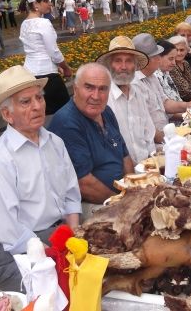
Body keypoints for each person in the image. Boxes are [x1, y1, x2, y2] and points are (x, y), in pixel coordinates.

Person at [0, 65, 82, 291]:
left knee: (99, 274)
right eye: (25, 102)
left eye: (39, 98)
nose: (37, 106)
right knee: (60, 292)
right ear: (7, 114)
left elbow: (71, 195)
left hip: (55, 233)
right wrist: (55, 255)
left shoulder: (55, 142)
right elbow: (7, 230)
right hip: (11, 251)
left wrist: (73, 235)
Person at [48, 63, 134, 213]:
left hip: (121, 195)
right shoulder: (67, 123)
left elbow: (125, 156)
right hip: (92, 204)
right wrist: (122, 203)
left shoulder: (106, 111)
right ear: (75, 89)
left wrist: (133, 191)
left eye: (102, 89)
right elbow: (84, 184)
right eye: (89, 87)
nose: (96, 96)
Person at [96, 36, 156, 163]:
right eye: (118, 61)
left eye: (129, 61)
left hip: (147, 166)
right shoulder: (102, 99)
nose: (124, 67)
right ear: (109, 65)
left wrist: (152, 163)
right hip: (121, 172)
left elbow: (149, 133)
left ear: (135, 65)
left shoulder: (138, 92)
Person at [19, 0, 73, 115]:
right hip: (47, 76)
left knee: (40, 114)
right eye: (46, 1)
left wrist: (56, 66)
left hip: (30, 75)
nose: (50, 4)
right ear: (35, 3)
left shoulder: (25, 23)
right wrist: (65, 68)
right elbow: (53, 51)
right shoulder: (43, 23)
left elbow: (35, 50)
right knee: (67, 114)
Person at [168, 35, 191, 102]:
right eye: (176, 50)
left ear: (187, 50)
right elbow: (184, 92)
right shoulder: (171, 66)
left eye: (182, 50)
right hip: (181, 104)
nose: (179, 53)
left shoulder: (185, 63)